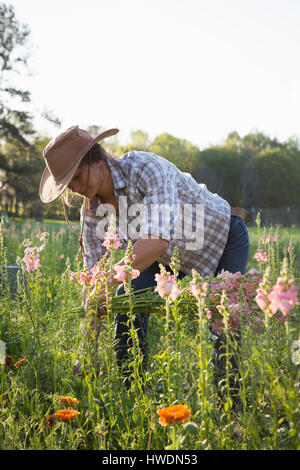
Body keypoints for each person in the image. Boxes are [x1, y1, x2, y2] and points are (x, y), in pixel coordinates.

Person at [39, 125, 250, 395]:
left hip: (219, 237)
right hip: (164, 256)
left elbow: (157, 239)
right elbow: (93, 284)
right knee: (125, 297)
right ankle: (133, 393)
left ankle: (230, 404)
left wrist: (107, 278)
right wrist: (87, 350)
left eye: (77, 176)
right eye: (70, 185)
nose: (78, 189)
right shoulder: (92, 213)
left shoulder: (146, 168)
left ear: (96, 158)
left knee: (224, 316)